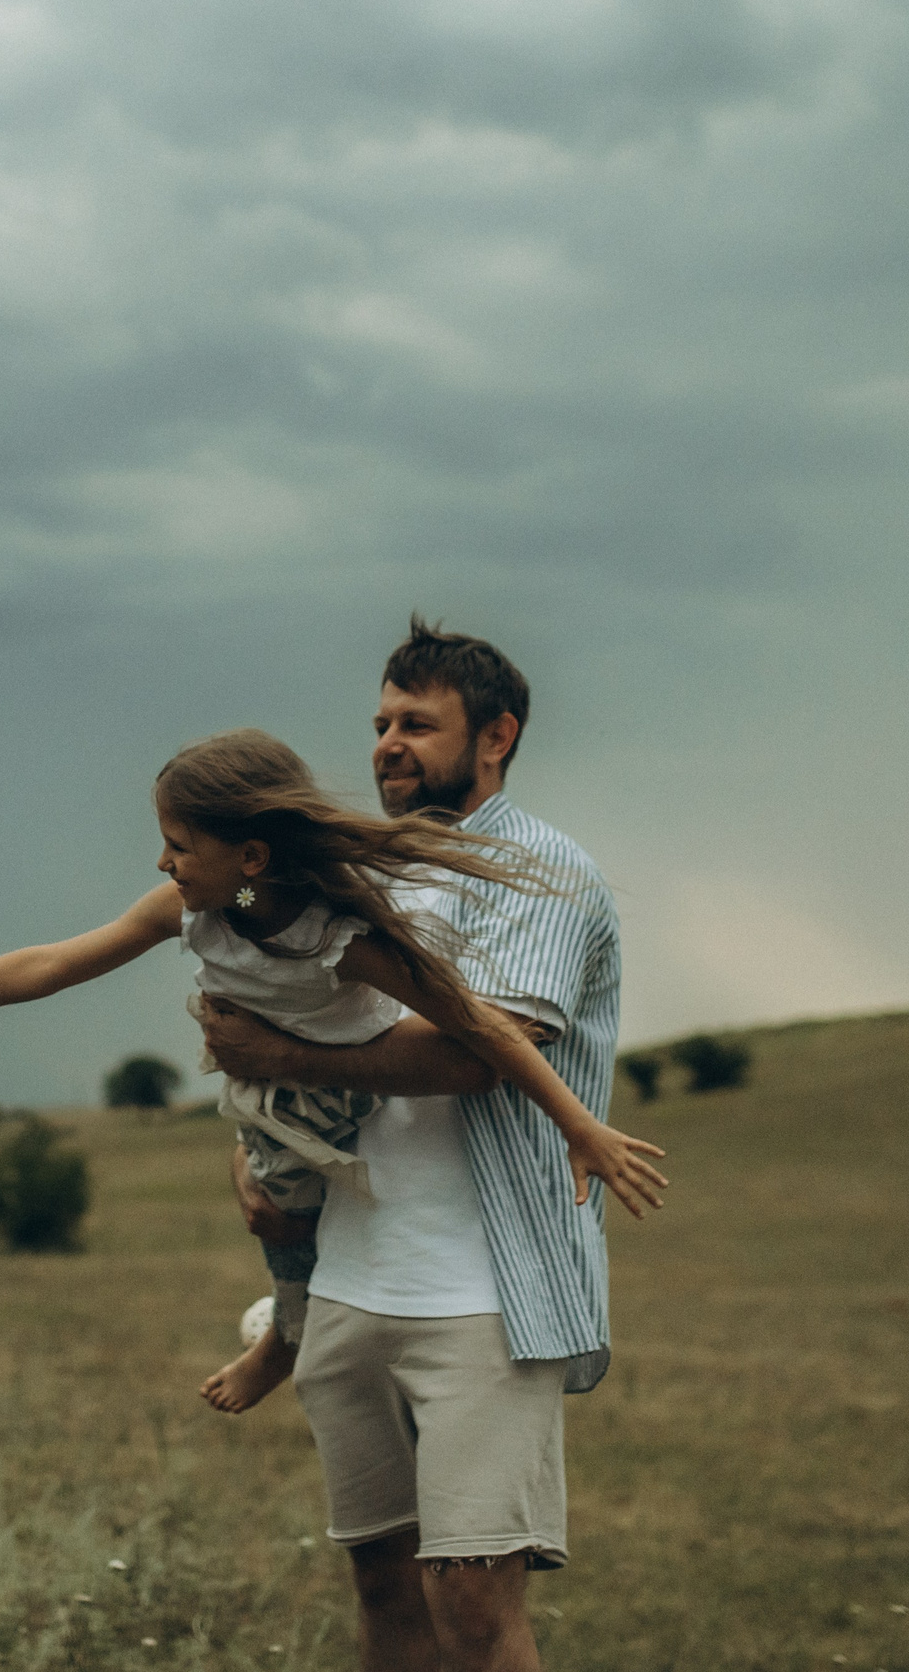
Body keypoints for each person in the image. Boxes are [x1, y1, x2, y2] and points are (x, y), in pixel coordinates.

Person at [0, 727, 665, 1380]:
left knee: (288, 1210)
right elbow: (56, 962)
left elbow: (480, 1026)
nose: (162, 863)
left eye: (178, 846)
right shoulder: (216, 902)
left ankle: (285, 1335)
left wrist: (579, 1128)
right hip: (265, 1098)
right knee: (272, 1198)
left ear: (250, 856)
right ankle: (291, 1321)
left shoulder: (335, 941)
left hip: (341, 1094)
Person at [197, 618, 641, 1672]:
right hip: (351, 1281)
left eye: (417, 723)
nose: (388, 742)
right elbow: (255, 925)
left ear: (497, 735)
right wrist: (219, 864)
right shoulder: (363, 868)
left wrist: (278, 1049)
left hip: (484, 1293)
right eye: (381, 721)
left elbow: (479, 1053)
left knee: (474, 1606)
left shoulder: (545, 872)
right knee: (384, 1587)